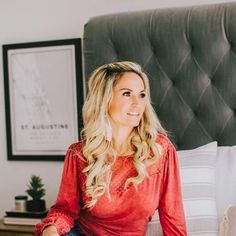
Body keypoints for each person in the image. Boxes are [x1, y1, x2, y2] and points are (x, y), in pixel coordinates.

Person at [35, 61, 187, 236]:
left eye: (142, 94)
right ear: (105, 100)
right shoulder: (79, 154)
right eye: (127, 94)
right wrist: (51, 230)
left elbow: (173, 217)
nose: (138, 103)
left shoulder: (160, 150)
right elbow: (65, 210)